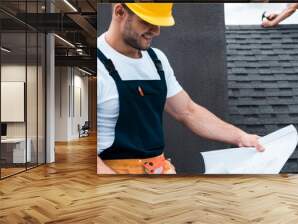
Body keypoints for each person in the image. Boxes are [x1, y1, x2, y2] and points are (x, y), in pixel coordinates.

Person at [97, 3, 264, 174]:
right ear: (120, 12)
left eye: (159, 22)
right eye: (148, 21)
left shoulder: (157, 60)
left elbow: (188, 111)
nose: (156, 31)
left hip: (157, 170)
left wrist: (241, 137)